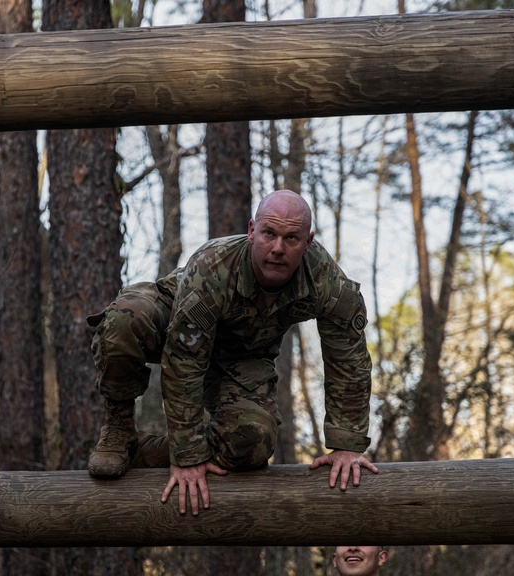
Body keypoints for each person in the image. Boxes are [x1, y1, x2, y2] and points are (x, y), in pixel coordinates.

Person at [86, 189, 378, 515]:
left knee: (250, 444)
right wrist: (188, 456)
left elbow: (348, 359)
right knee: (124, 320)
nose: (278, 248)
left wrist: (346, 445)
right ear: (252, 231)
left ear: (307, 242)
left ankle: (143, 451)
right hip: (176, 323)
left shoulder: (327, 282)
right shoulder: (213, 267)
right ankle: (120, 430)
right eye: (269, 234)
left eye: (291, 238)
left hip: (242, 354)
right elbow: (184, 361)